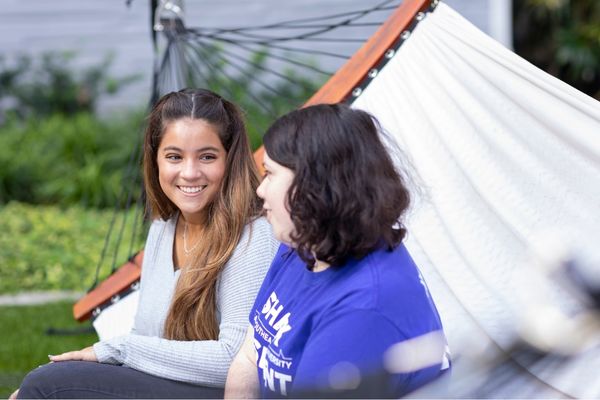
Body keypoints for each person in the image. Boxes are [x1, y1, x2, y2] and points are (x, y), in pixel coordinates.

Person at [13, 88, 279, 399]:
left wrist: (113, 351)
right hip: (169, 387)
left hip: (221, 391)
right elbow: (146, 337)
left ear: (229, 159)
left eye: (207, 156)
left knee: (49, 386)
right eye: (174, 157)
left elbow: (236, 359)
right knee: (46, 385)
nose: (190, 172)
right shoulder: (164, 229)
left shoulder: (252, 234)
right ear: (155, 161)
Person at [224, 103, 451, 398]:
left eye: (270, 174)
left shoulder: (364, 308)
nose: (260, 190)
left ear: (316, 186)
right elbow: (250, 357)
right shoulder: (303, 244)